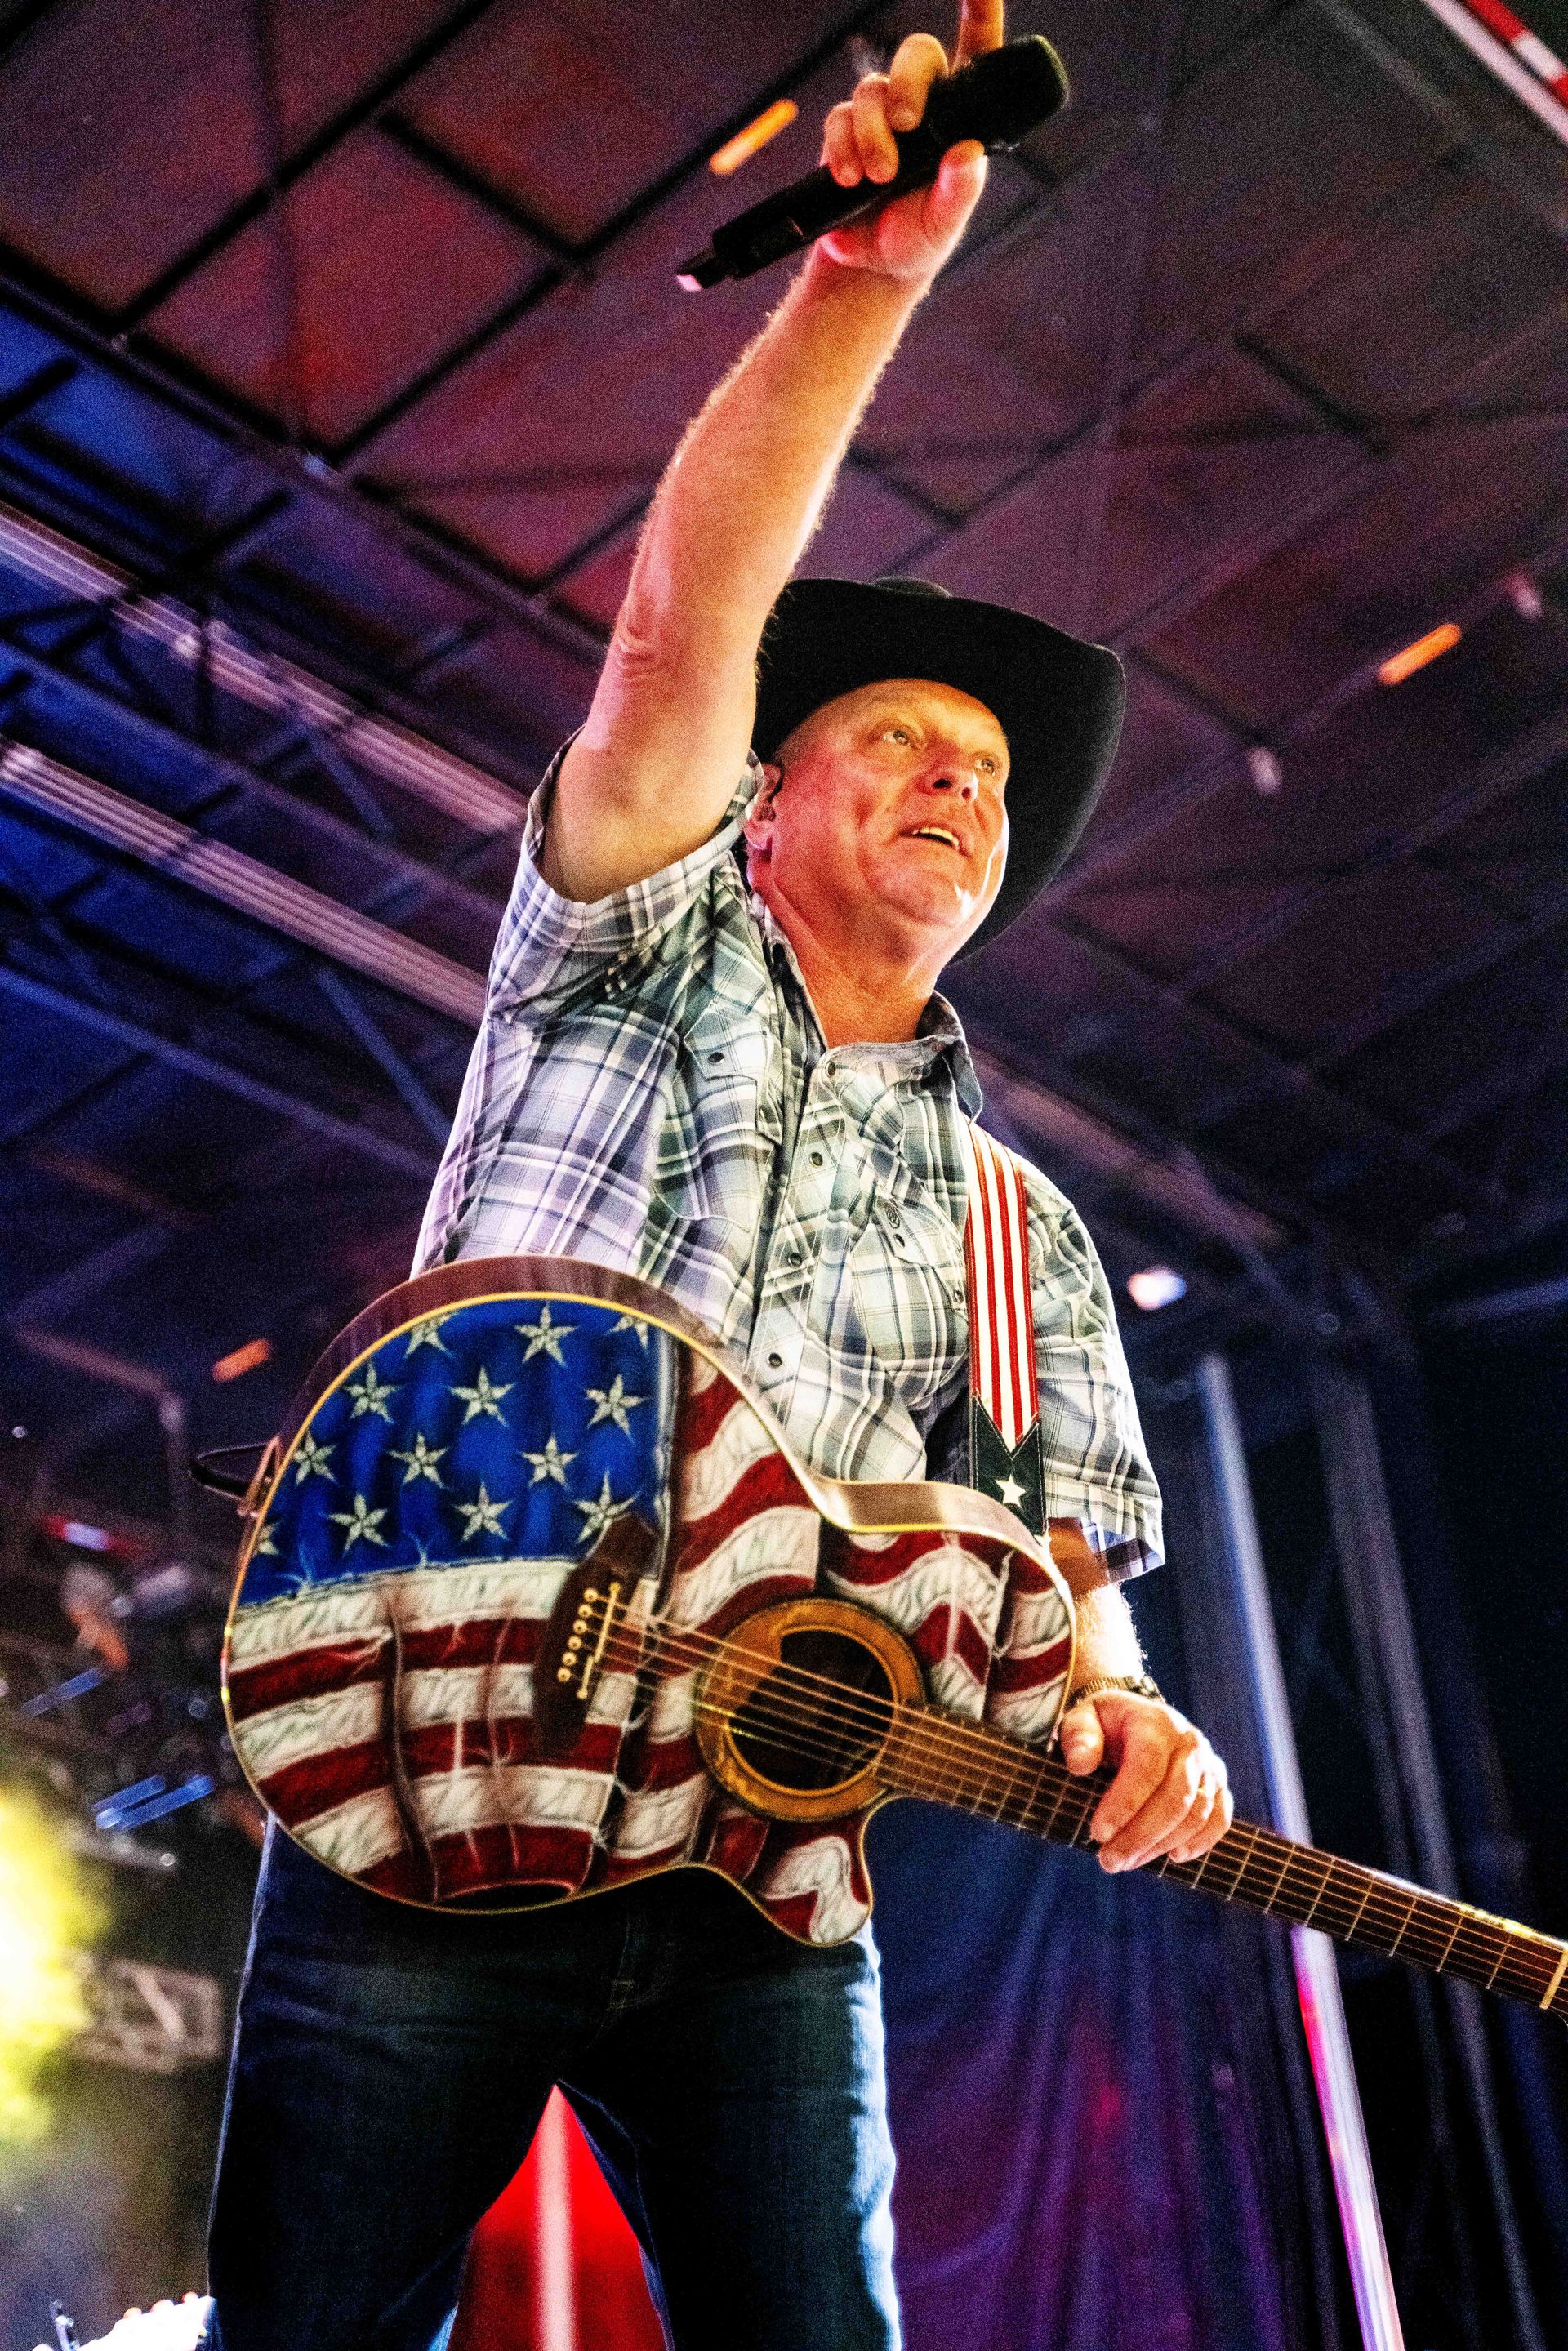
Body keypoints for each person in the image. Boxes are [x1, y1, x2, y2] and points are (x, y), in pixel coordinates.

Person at [207, 7, 1232, 2346]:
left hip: (771, 1889)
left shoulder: (1026, 1233)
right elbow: (681, 627)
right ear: (767, 800)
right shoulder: (634, 952)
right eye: (897, 738)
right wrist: (862, 282)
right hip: (429, 1787)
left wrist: (1133, 1719)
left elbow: (1065, 1590)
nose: (959, 785)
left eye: (988, 774)